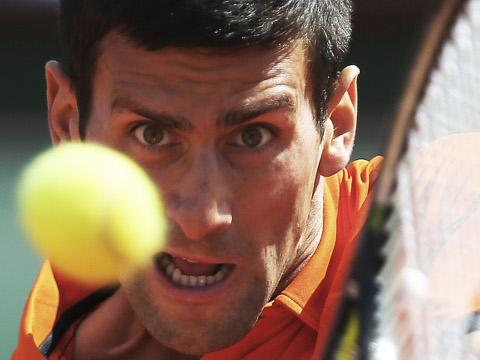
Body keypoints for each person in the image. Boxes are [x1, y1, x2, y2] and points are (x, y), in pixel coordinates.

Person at [12, 0, 382, 359]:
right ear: (68, 124)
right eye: (151, 134)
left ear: (336, 126)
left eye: (254, 137)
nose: (200, 219)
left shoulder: (419, 214)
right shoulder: (54, 339)